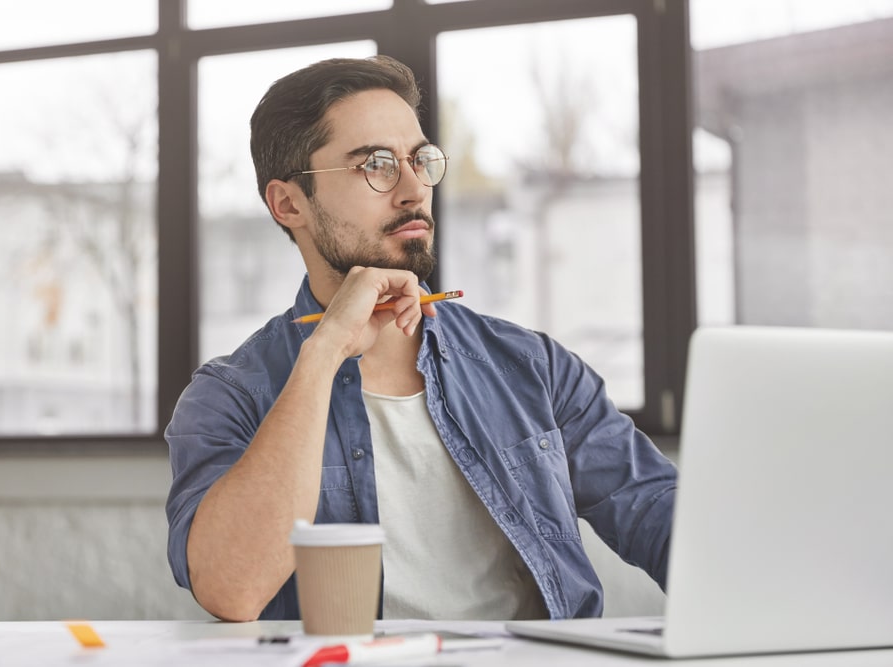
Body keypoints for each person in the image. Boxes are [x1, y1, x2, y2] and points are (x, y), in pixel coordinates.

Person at [165, 55, 677, 623]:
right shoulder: (230, 395)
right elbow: (232, 588)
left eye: (419, 160)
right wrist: (325, 352)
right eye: (375, 165)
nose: (413, 189)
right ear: (289, 204)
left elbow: (663, 517)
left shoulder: (534, 367)